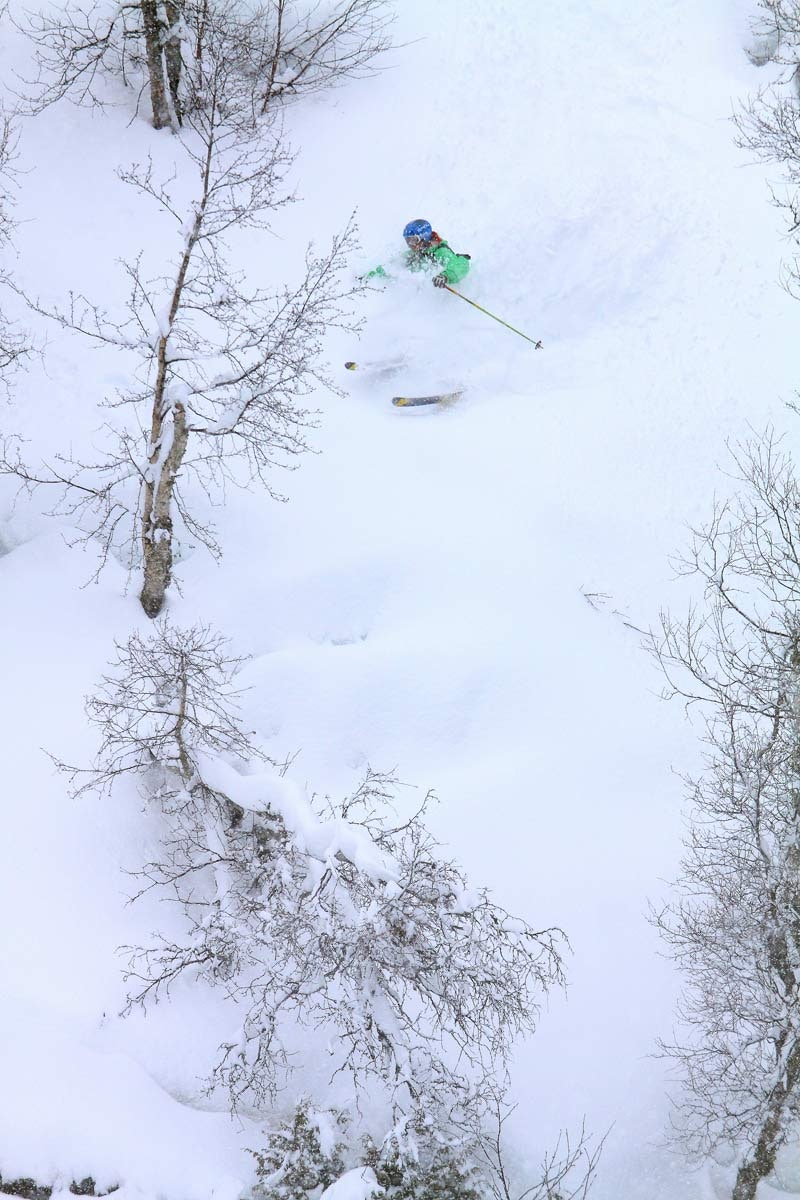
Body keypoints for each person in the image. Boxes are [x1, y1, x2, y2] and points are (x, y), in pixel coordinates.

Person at [366, 219, 471, 288]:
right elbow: (392, 267)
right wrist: (368, 277)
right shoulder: (413, 254)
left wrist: (445, 276)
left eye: (413, 240)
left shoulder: (440, 252)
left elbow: (462, 264)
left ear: (424, 238)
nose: (410, 245)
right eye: (407, 241)